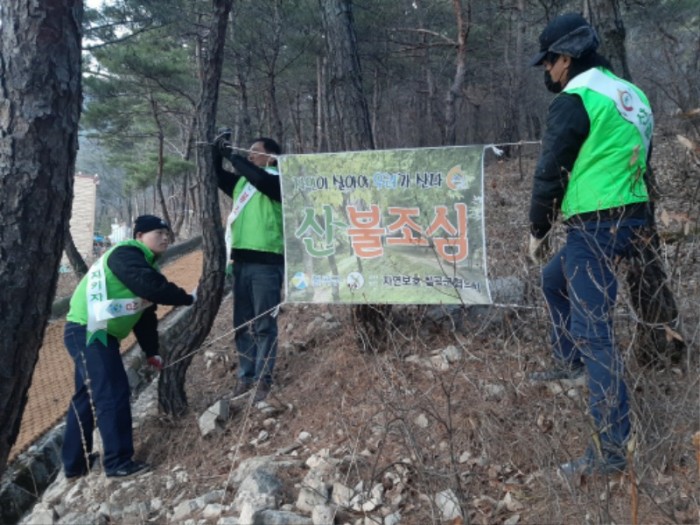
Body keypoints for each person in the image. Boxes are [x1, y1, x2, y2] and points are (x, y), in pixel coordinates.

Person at [526, 13, 654, 477]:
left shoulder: (576, 98)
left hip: (595, 225)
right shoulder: (630, 94)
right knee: (552, 279)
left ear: (566, 58)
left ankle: (610, 453)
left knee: (596, 331)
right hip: (631, 219)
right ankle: (570, 362)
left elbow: (550, 170)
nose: (546, 72)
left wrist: (537, 228)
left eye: (548, 63)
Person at [62, 215, 195, 479]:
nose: (166, 237)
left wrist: (151, 351)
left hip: (94, 332)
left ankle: (75, 464)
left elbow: (145, 315)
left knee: (87, 399)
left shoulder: (143, 264)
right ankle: (118, 462)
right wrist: (189, 298)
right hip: (91, 331)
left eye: (167, 233)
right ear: (139, 236)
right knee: (112, 393)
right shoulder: (126, 254)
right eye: (158, 232)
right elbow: (150, 287)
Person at [214, 134, 284, 403]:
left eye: (256, 151)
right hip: (241, 263)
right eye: (249, 151)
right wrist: (216, 155)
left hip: (268, 262)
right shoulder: (243, 182)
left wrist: (234, 156)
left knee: (264, 324)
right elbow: (220, 177)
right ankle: (246, 375)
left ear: (271, 157)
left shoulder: (278, 180)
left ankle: (263, 379)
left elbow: (262, 180)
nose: (251, 154)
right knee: (242, 324)